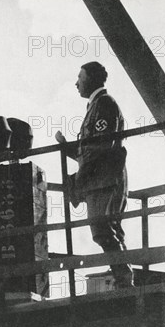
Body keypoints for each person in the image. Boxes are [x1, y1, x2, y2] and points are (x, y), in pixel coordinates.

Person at [55, 61, 134, 289]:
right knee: (107, 229)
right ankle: (123, 278)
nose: (76, 83)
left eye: (80, 77)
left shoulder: (104, 104)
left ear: (91, 79)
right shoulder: (96, 106)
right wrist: (67, 147)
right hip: (102, 180)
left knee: (102, 229)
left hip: (105, 181)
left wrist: (78, 181)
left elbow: (100, 147)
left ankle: (124, 279)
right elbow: (90, 150)